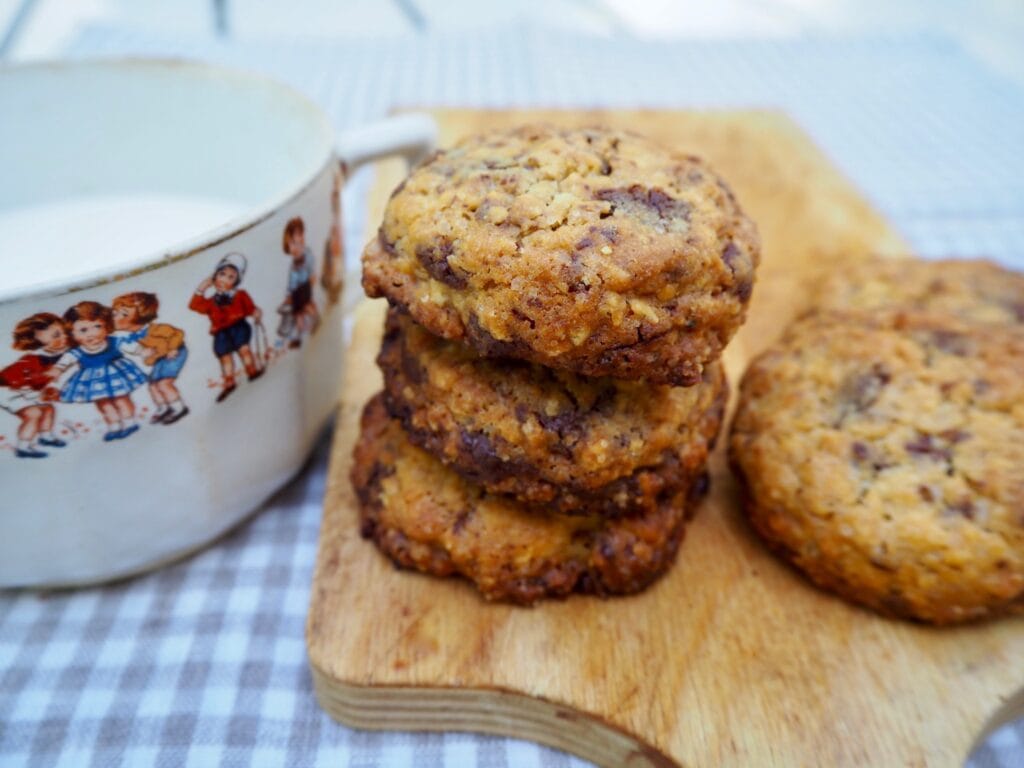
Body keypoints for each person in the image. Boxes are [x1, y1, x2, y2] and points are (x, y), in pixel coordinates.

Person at [50, 301, 147, 442]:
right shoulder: (77, 351)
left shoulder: (113, 341)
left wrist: (143, 351)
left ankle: (129, 422)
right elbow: (66, 360)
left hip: (116, 374)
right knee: (104, 404)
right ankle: (114, 426)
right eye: (83, 330)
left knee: (122, 399)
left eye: (98, 326)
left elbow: (130, 346)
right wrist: (57, 369)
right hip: (92, 380)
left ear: (107, 327)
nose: (92, 334)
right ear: (72, 334)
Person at [189, 253, 264, 402]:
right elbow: (194, 305)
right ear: (214, 277)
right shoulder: (211, 302)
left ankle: (252, 370)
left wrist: (255, 312)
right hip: (221, 333)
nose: (224, 279)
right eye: (222, 274)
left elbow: (249, 308)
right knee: (225, 358)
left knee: (244, 350)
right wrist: (202, 288)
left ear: (236, 281)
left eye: (231, 277)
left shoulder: (240, 295)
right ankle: (229, 382)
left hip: (238, 327)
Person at [112, 291, 190, 424]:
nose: (115, 317)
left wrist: (172, 348)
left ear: (141, 318)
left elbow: (178, 333)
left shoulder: (156, 329)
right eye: (115, 313)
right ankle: (163, 408)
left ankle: (179, 408)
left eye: (124, 314)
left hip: (175, 354)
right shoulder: (131, 335)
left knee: (163, 383)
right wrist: (147, 356)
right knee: (153, 385)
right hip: (161, 358)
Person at [0, 313, 70, 458]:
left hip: (28, 389)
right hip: (9, 390)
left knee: (48, 409)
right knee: (34, 414)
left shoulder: (60, 353)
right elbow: (26, 380)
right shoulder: (33, 358)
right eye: (56, 335)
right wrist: (46, 378)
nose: (63, 337)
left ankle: (46, 436)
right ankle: (23, 447)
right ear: (37, 339)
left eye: (63, 332)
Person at [280, 217, 320, 349]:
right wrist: (288, 294)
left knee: (306, 307)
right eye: (291, 244)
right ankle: (299, 336)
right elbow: (291, 281)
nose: (294, 248)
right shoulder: (293, 264)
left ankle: (314, 322)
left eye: (297, 243)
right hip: (296, 291)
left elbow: (311, 268)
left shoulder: (307, 255)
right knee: (298, 313)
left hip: (305, 287)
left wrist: (312, 277)